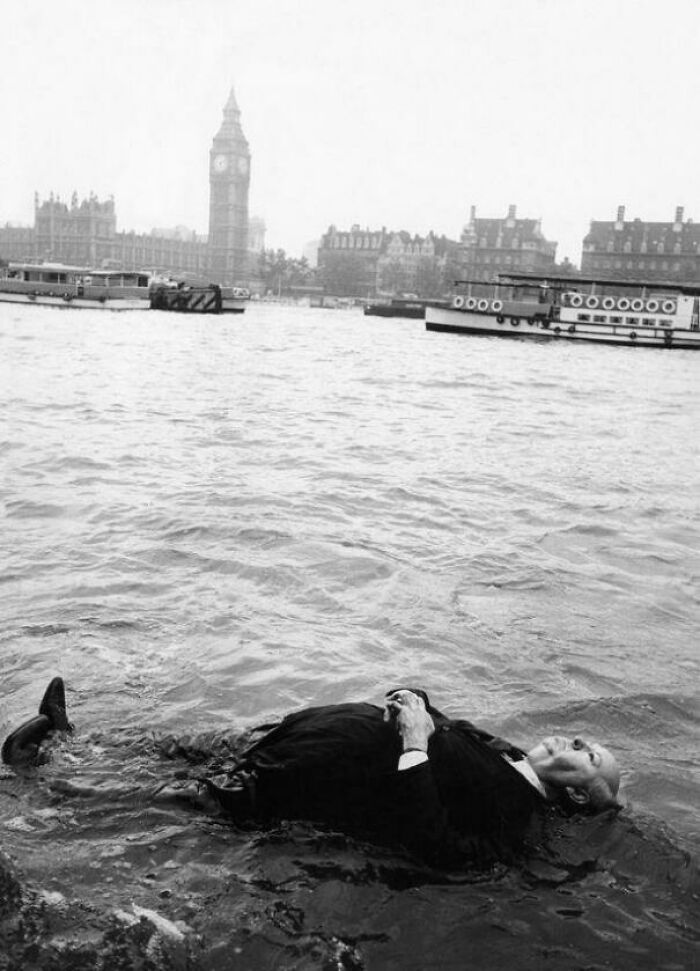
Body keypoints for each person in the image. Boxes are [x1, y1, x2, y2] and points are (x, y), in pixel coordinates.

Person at [2, 678, 620, 869]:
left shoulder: (516, 813)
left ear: (576, 793)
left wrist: (413, 745)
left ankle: (40, 780)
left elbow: (442, 847)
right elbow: (439, 715)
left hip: (315, 776)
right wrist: (414, 695)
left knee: (188, 794)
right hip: (299, 733)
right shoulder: (504, 750)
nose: (576, 738)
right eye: (588, 739)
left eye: (588, 754)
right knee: (179, 747)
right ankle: (70, 734)